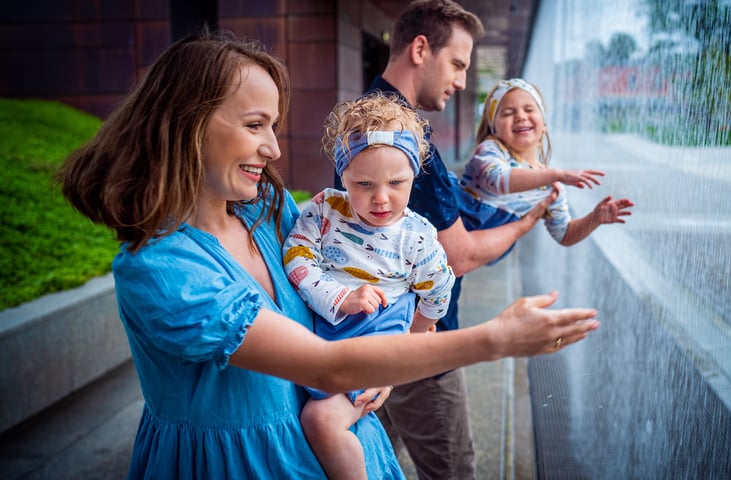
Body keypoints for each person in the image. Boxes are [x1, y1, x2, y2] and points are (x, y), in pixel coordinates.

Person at [56, 31, 600, 479]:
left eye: (274, 126)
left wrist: (395, 349)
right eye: (254, 125)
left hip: (329, 443)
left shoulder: (267, 211)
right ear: (184, 123)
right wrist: (494, 340)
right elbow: (324, 363)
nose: (272, 148)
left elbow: (379, 273)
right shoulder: (161, 270)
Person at [353, 1, 574, 478]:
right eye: (457, 64)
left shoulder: (367, 114)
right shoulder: (409, 138)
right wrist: (529, 219)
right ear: (419, 49)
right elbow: (458, 257)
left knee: (373, 462)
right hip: (421, 347)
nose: (459, 80)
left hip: (377, 335)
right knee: (455, 472)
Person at [284, 94, 455, 479]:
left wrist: (407, 343)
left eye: (397, 182)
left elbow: (439, 292)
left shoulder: (415, 239)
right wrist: (340, 297)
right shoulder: (326, 210)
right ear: (342, 176)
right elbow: (296, 256)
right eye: (363, 183)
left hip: (374, 340)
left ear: (414, 175)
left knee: (320, 420)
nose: (381, 198)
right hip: (327, 334)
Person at [456, 77, 634, 247]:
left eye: (529, 109)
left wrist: (595, 218)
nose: (520, 116)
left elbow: (565, 234)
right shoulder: (490, 150)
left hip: (475, 247)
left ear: (544, 125)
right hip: (447, 229)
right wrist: (556, 174)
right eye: (508, 113)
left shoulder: (549, 187)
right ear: (493, 127)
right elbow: (499, 180)